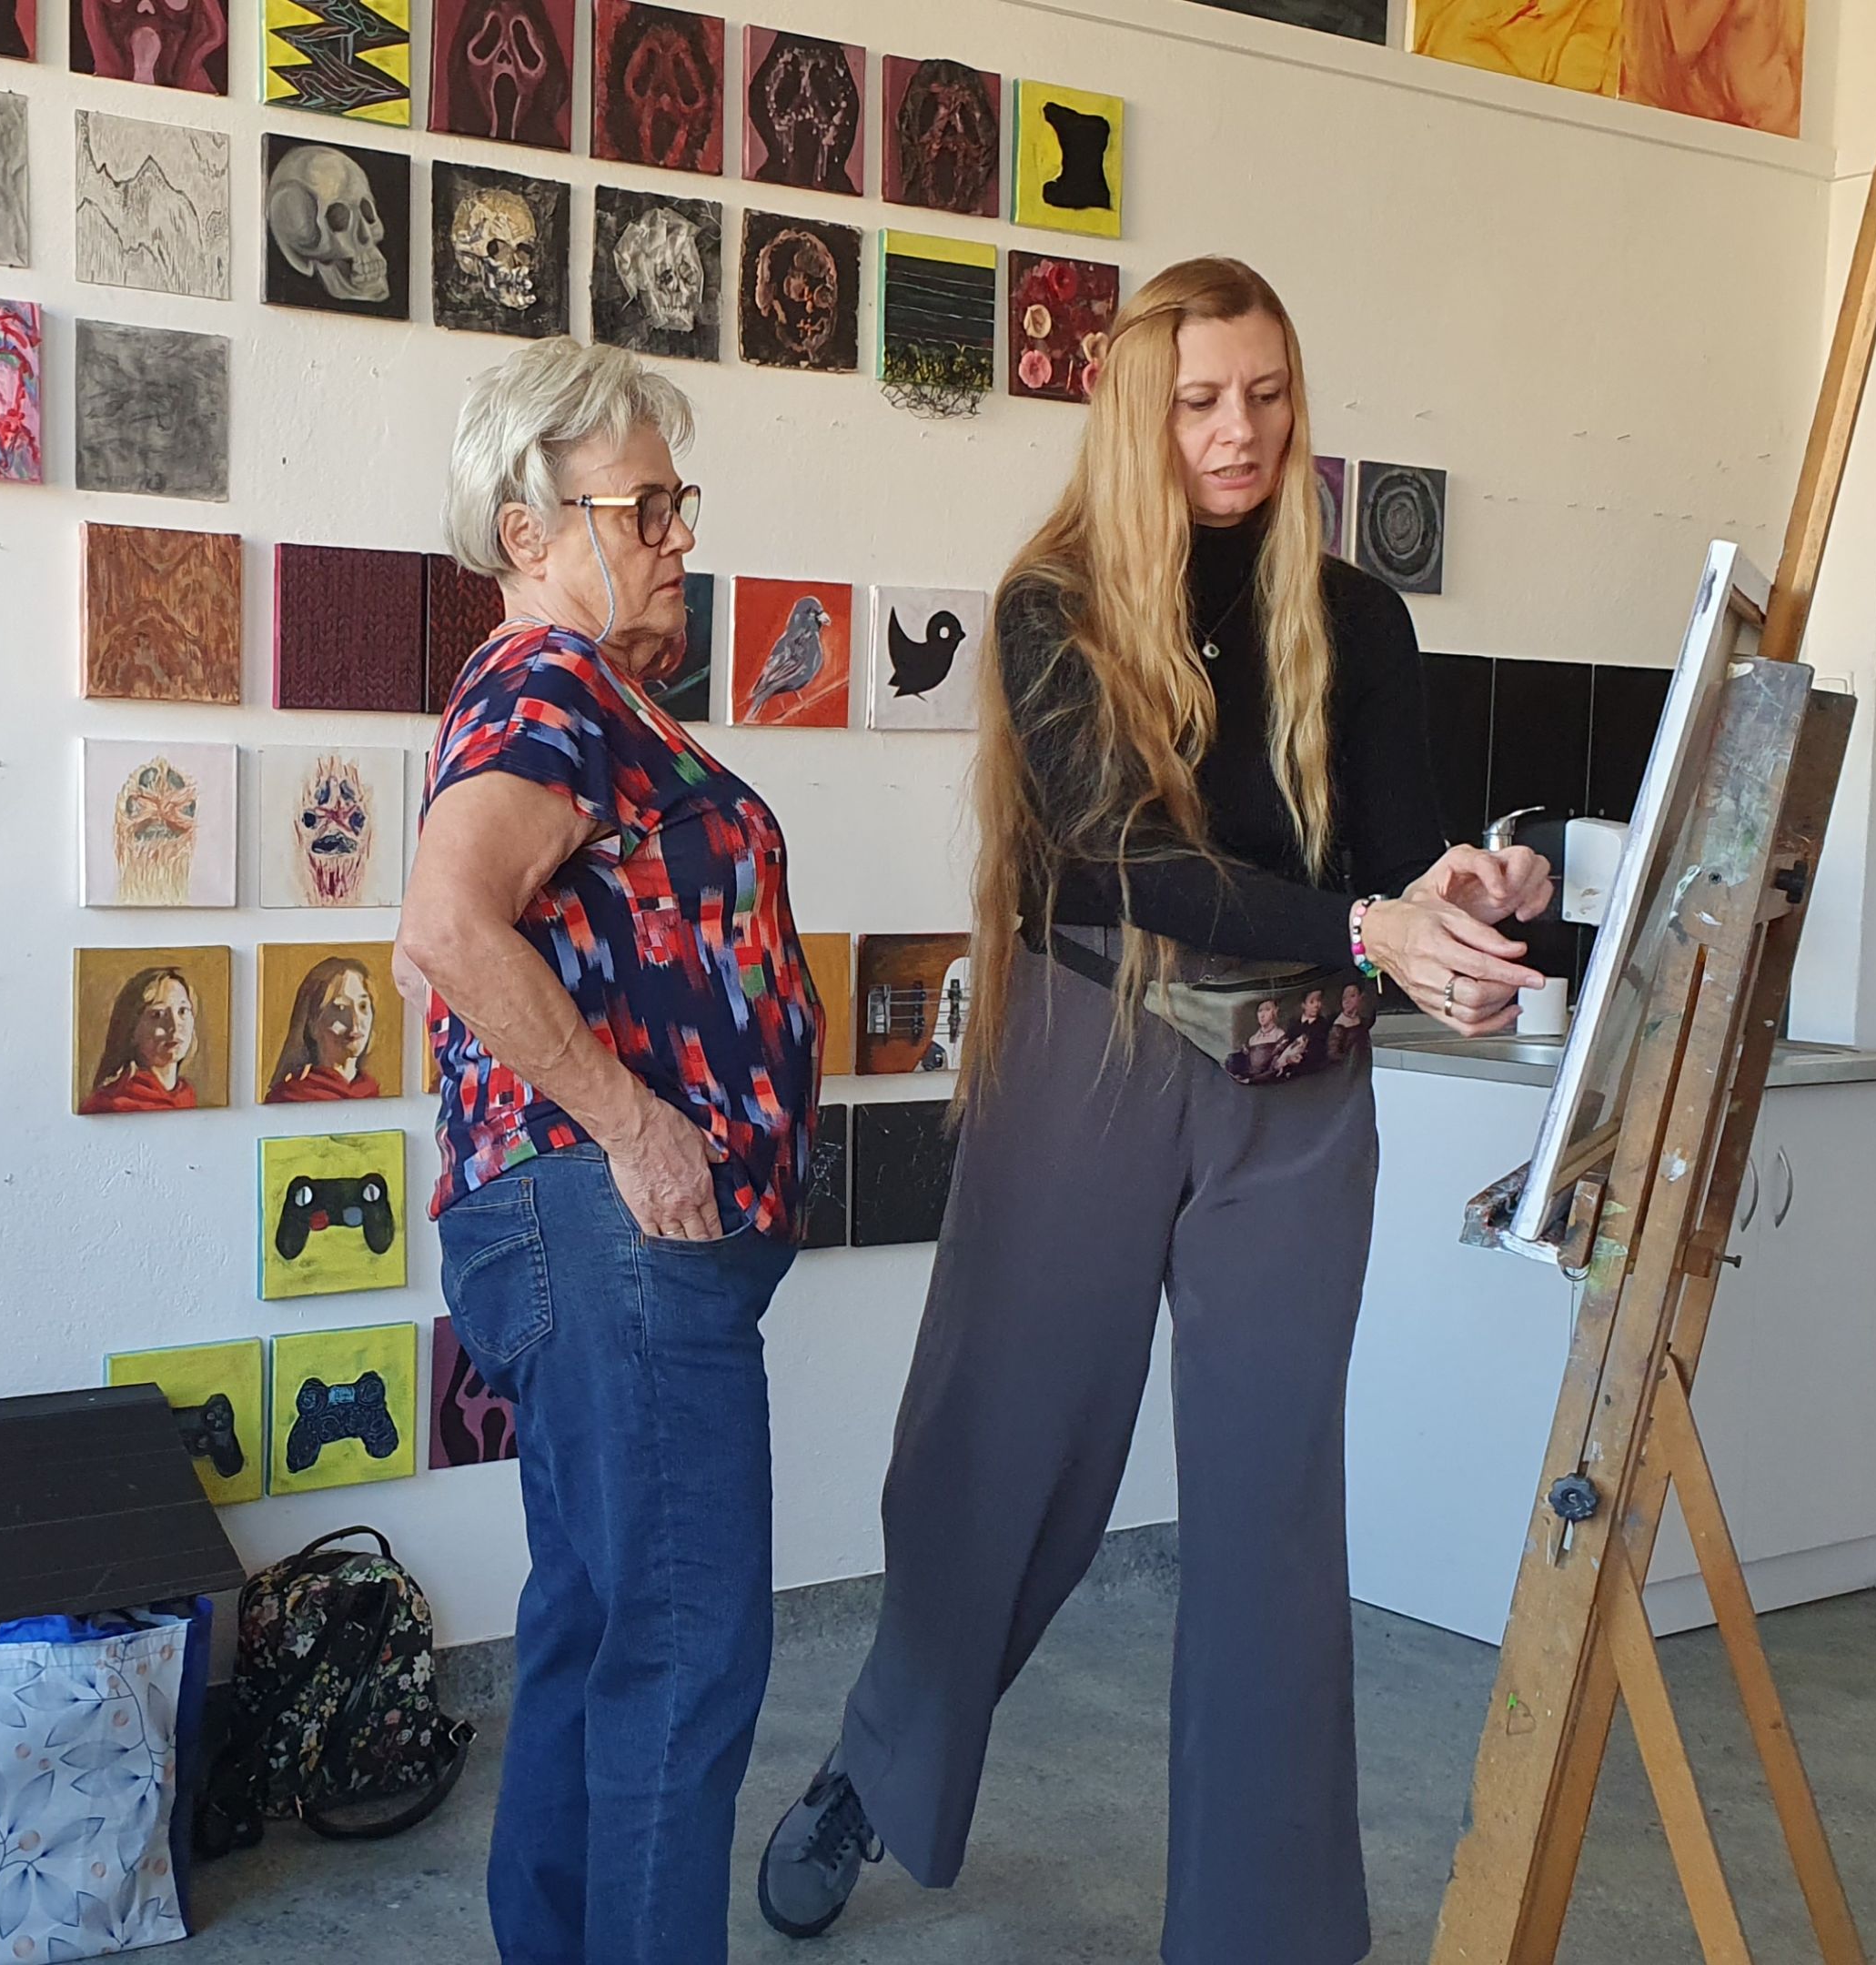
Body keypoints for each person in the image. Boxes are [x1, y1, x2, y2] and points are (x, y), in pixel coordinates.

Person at [756, 257, 1552, 1964]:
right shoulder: (1054, 607)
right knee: (1000, 1458)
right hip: (1092, 1046)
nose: (1238, 430)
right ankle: (880, 1766)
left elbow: (1397, 857)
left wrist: (1470, 894)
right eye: (1200, 400)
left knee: (1274, 1516)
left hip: (1296, 1078)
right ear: (1138, 411)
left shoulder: (1360, 620)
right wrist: (1369, 926)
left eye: (1266, 394)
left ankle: (1265, 1936)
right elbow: (1128, 859)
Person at [398, 337, 821, 1965]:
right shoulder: (550, 683)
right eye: (642, 507)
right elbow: (448, 922)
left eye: (674, 503)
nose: (677, 535)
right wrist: (639, 1129)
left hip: (584, 1242)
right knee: (682, 1656)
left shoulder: (569, 697)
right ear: (529, 531)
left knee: (596, 1636)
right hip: (612, 1234)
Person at [82, 965, 204, 1113]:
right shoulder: (109, 1104)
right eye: (157, 1014)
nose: (174, 1026)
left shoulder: (187, 1096)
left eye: (183, 1011)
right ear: (132, 1028)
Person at [266, 954, 385, 1102]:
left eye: (362, 1006)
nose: (356, 1021)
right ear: (313, 1023)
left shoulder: (371, 1092)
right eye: (340, 1007)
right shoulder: (289, 1096)